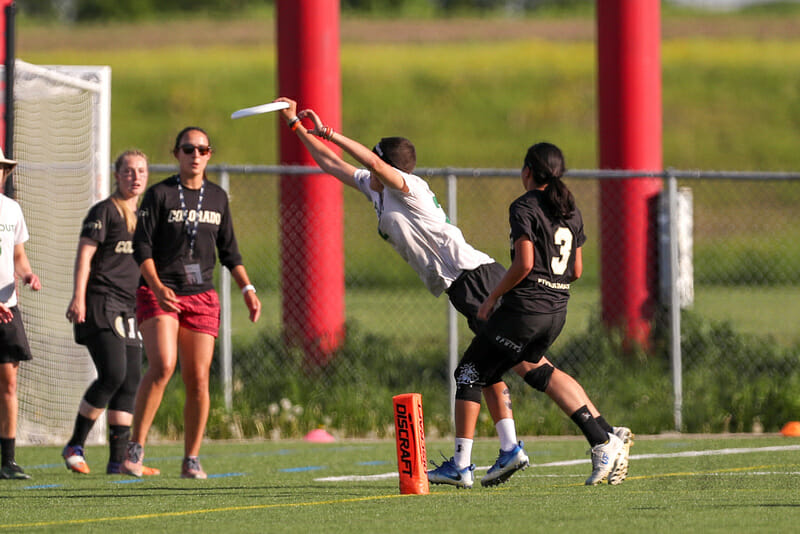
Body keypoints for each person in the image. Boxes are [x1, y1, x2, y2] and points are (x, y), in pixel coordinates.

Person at [275, 97, 527, 489]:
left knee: (505, 366)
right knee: (490, 367)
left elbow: (374, 165)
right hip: (462, 285)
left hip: (475, 277)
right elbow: (330, 164)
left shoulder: (410, 187)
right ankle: (509, 447)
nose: (368, 168)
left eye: (376, 162)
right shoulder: (375, 188)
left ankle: (473, 461)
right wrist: (296, 125)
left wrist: (329, 131)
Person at [430, 142, 632, 488]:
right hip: (557, 310)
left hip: (526, 310)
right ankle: (603, 436)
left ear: (527, 171)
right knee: (532, 373)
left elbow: (524, 263)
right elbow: (578, 270)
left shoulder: (524, 206)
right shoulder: (570, 208)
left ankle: (461, 465)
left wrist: (493, 296)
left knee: (469, 372)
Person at [122, 127, 261, 479]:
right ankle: (135, 447)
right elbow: (142, 247)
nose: (195, 155)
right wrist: (155, 285)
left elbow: (230, 252)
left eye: (202, 149)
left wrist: (248, 290)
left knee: (198, 378)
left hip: (202, 294)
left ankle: (191, 458)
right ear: (177, 154)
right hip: (161, 289)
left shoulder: (217, 197)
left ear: (209, 155)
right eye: (188, 149)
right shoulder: (159, 194)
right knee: (164, 365)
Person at [62, 150, 159, 476]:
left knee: (131, 379)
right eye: (129, 171)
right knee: (113, 373)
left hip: (130, 306)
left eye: (141, 171)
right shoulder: (103, 212)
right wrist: (78, 297)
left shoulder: (145, 215)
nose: (136, 177)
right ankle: (75, 444)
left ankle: (118, 461)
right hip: (101, 302)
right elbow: (84, 256)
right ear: (117, 176)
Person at [0, 149, 41, 480]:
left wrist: (27, 275)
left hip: (7, 308)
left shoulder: (11, 209)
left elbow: (18, 255)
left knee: (9, 383)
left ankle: (8, 460)